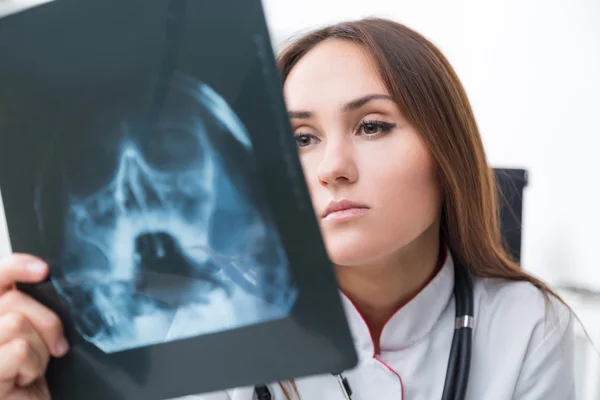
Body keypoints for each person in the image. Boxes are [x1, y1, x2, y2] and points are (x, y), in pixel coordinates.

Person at [0, 17, 575, 400]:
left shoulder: (529, 327)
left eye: (372, 126)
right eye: (301, 138)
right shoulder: (204, 325)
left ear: (446, 150)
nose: (333, 167)